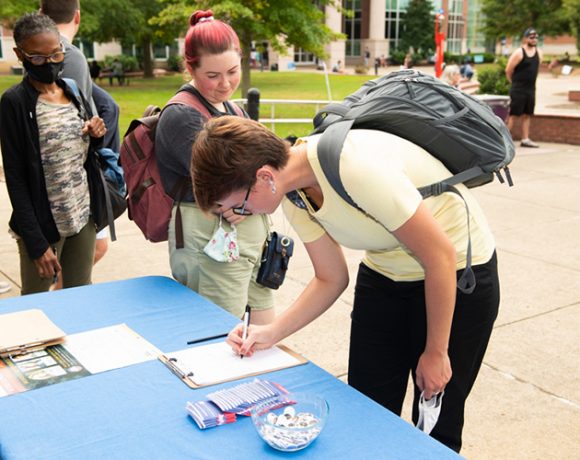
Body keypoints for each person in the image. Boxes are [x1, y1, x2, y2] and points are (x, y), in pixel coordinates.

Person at [190, 116, 500, 453]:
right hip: (385, 273)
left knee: (436, 423)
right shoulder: (293, 193)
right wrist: (270, 332)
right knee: (366, 411)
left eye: (239, 205)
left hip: (455, 275)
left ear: (265, 177)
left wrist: (437, 351)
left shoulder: (354, 167)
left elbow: (440, 256)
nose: (241, 214)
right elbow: (331, 276)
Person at [155, 10, 274, 324]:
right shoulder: (182, 115)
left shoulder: (231, 107)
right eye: (212, 75)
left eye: (233, 71)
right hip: (210, 236)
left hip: (242, 238)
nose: (225, 83)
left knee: (263, 330)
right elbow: (221, 182)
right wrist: (247, 198)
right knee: (218, 331)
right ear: (190, 68)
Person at [0, 13, 107, 295]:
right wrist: (36, 244)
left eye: (56, 54)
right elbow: (15, 178)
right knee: (35, 304)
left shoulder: (72, 90)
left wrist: (95, 134)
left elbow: (86, 154)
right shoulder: (14, 103)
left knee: (79, 296)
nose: (49, 63)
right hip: (42, 227)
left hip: (81, 218)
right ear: (20, 55)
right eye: (38, 58)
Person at [42, 0, 120, 278]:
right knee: (87, 251)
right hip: (69, 182)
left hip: (74, 178)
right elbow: (73, 121)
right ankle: (56, 297)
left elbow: (107, 106)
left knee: (92, 249)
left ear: (42, 13)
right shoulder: (68, 55)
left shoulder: (62, 55)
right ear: (77, 16)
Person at [505, 27, 542, 148]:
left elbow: (536, 69)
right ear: (525, 38)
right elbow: (508, 70)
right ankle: (504, 140)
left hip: (530, 89)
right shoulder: (519, 52)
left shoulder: (539, 53)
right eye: (531, 37)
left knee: (527, 114)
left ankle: (525, 139)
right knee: (513, 114)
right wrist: (514, 83)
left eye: (536, 37)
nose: (534, 39)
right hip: (518, 89)